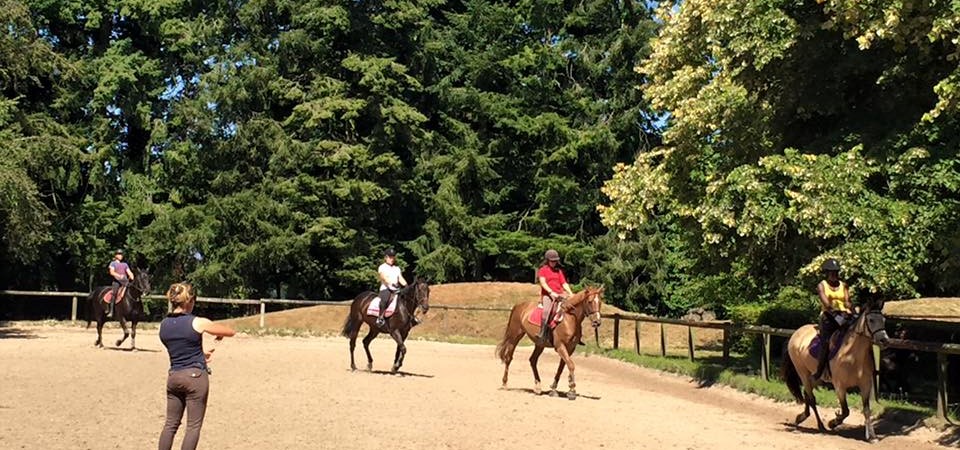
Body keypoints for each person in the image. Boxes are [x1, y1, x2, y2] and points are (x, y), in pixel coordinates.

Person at [158, 283, 235, 450]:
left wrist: (200, 355)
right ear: (190, 301)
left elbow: (180, 348)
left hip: (174, 376)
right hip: (195, 377)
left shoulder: (164, 325)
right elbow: (229, 331)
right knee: (193, 427)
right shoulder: (197, 322)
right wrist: (219, 334)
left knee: (170, 424)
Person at [811, 258, 853, 382]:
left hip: (844, 315)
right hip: (828, 317)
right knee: (826, 343)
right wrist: (835, 314)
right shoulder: (822, 285)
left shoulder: (843, 285)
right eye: (831, 272)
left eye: (836, 272)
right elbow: (826, 303)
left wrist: (853, 310)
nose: (834, 275)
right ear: (827, 273)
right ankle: (819, 371)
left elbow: (847, 301)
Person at [537, 249, 574, 344]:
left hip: (560, 294)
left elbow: (564, 283)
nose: (554, 263)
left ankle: (576, 334)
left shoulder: (559, 271)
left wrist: (570, 293)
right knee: (546, 311)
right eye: (552, 261)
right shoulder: (543, 270)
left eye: (555, 261)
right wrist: (551, 292)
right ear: (547, 260)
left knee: (573, 309)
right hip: (548, 295)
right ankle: (543, 333)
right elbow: (543, 283)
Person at [376, 248, 408, 329]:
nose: (392, 259)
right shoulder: (382, 267)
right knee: (385, 299)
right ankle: (380, 317)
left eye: (393, 257)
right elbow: (383, 277)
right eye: (390, 257)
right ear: (386, 257)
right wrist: (391, 284)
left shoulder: (397, 268)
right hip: (386, 289)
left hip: (396, 289)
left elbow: (400, 278)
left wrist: (407, 286)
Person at [107, 249, 134, 318]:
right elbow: (111, 272)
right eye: (119, 254)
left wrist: (131, 275)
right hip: (117, 282)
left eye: (121, 254)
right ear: (116, 255)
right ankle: (111, 310)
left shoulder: (125, 264)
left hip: (125, 282)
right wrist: (119, 276)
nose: (121, 256)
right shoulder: (113, 263)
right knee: (114, 293)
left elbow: (129, 271)